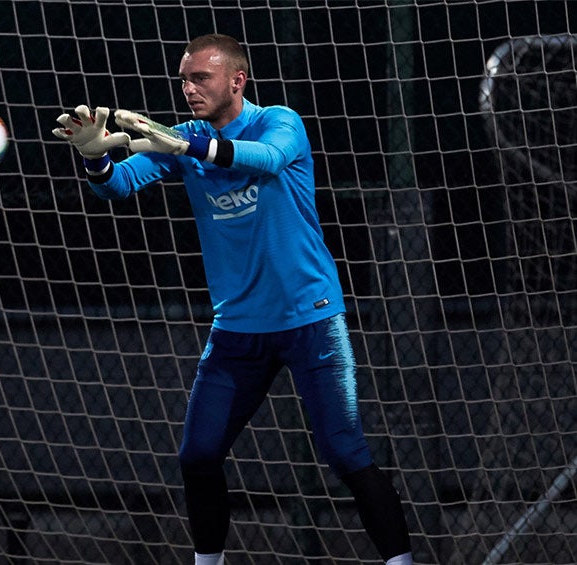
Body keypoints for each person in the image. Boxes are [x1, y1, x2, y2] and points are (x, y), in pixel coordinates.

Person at [51, 34, 413, 565]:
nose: (188, 89)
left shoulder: (278, 122)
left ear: (236, 81)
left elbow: (264, 160)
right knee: (197, 456)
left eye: (201, 78)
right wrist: (93, 158)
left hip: (309, 319)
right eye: (183, 79)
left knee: (346, 452)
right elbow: (119, 185)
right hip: (238, 329)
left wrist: (183, 147)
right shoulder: (186, 137)